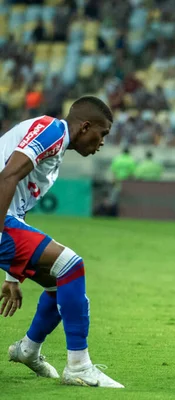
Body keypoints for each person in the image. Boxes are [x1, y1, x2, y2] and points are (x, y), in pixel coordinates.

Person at [0, 96, 124, 388]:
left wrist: (11, 274)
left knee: (63, 285)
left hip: (7, 219)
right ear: (85, 126)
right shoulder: (52, 130)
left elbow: (18, 205)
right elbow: (6, 176)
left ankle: (28, 350)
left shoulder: (54, 152)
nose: (102, 142)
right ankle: (79, 366)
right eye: (102, 133)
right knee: (71, 266)